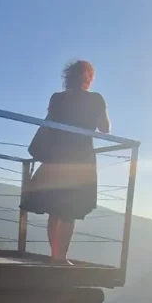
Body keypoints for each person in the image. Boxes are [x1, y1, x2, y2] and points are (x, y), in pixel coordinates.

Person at [21, 60, 110, 261]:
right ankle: (60, 259)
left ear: (67, 77)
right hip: (80, 159)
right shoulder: (96, 99)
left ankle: (55, 255)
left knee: (55, 209)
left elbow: (49, 124)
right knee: (70, 210)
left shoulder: (57, 98)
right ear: (88, 78)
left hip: (56, 158)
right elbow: (104, 128)